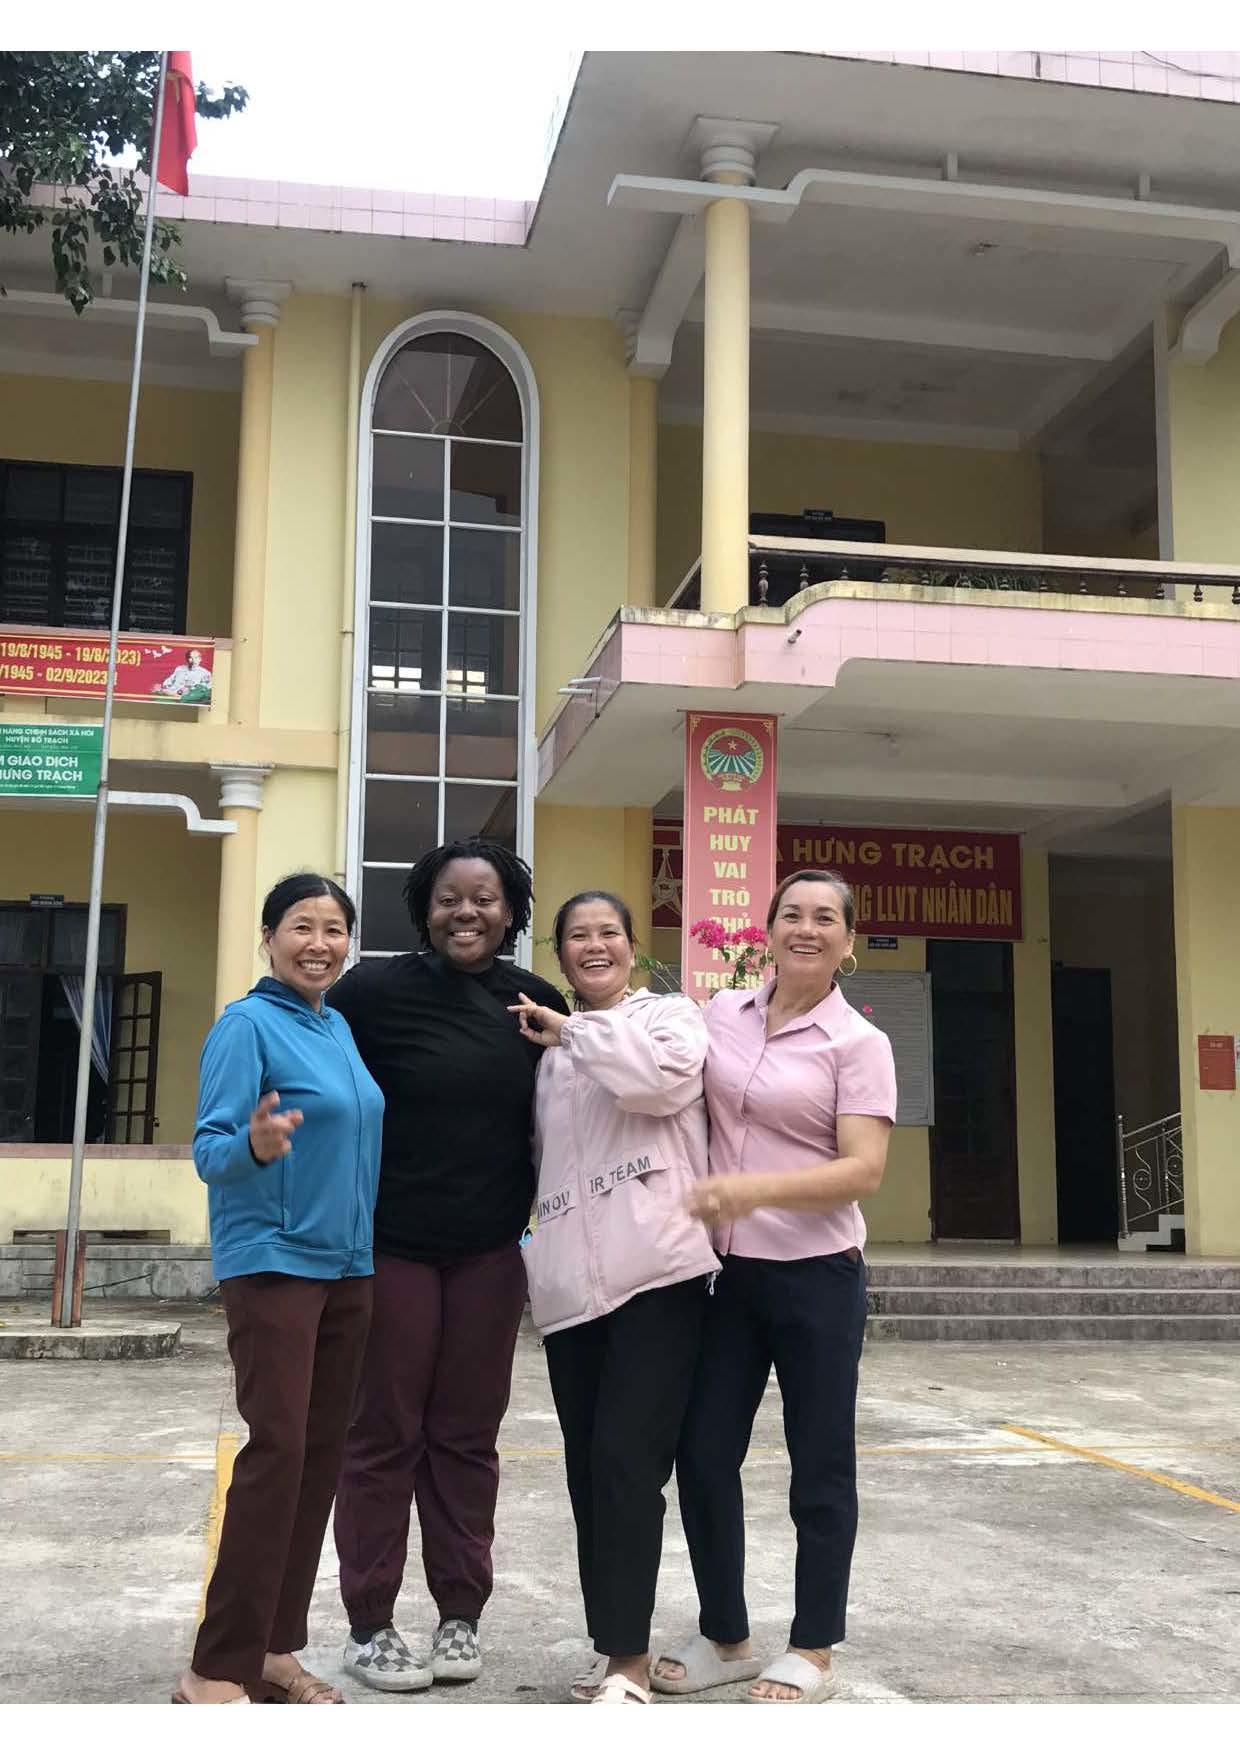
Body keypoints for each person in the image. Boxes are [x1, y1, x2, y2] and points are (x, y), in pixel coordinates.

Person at [329, 838, 569, 1692]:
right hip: (390, 1248)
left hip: (489, 1254)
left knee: (467, 1435)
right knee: (383, 1433)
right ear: (424, 909)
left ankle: (460, 1614)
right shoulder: (373, 991)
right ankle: (370, 1622)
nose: (466, 912)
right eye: (448, 898)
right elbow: (302, 1033)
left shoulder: (535, 1002)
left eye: (485, 898)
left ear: (511, 911)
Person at [652, 870, 896, 1706]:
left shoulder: (858, 1044)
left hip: (818, 1278)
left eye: (825, 917)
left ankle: (814, 1645)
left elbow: (863, 1170)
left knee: (819, 1462)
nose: (805, 927)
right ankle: (727, 1632)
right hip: (727, 1276)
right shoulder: (724, 1013)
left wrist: (750, 1191)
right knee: (702, 1452)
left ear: (847, 941)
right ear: (766, 929)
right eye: (791, 912)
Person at [174, 873, 383, 1706]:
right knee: (277, 1456)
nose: (320, 943)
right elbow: (209, 1150)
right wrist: (256, 1144)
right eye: (302, 925)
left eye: (336, 929)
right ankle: (216, 1665)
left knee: (317, 1460)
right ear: (269, 937)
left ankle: (273, 1647)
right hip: (273, 1263)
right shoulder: (245, 1025)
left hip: (347, 1266)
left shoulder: (338, 1030)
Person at [512, 891, 720, 1707]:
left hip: (658, 1275)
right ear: (559, 954)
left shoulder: (669, 1018)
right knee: (588, 1472)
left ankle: (630, 1664)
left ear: (633, 946)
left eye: (608, 933)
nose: (593, 946)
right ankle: (612, 1647)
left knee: (631, 1465)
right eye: (576, 937)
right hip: (569, 1291)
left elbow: (661, 1086)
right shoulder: (550, 1058)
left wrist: (570, 1029)